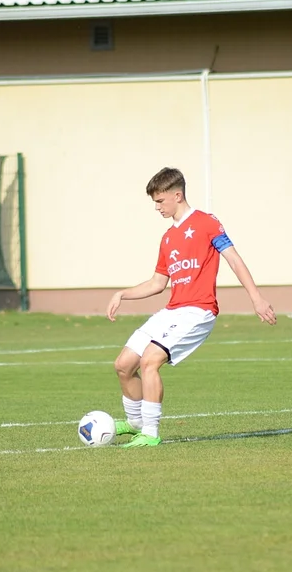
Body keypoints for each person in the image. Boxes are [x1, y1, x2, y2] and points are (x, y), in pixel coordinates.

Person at [105, 167, 277, 447]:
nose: (157, 207)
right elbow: (157, 283)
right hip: (173, 310)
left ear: (177, 195)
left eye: (160, 201)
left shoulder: (207, 223)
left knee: (149, 361)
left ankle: (149, 432)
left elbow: (233, 259)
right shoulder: (167, 238)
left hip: (198, 311)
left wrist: (256, 298)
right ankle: (135, 422)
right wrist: (122, 294)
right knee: (124, 365)